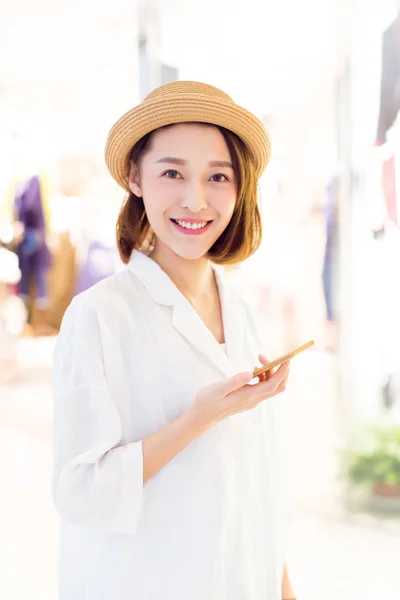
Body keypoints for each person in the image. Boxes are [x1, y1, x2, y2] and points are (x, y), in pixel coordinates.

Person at [52, 81, 296, 600]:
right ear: (136, 178)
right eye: (172, 173)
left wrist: (284, 589)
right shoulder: (99, 316)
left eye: (217, 176)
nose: (195, 199)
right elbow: (80, 494)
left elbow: (256, 482)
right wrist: (197, 419)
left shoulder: (242, 312)